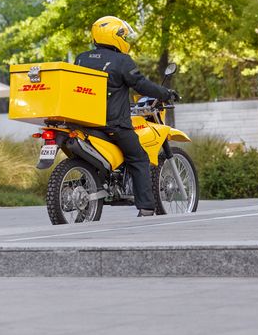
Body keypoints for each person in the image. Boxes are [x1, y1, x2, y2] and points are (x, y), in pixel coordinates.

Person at [74, 16, 179, 217]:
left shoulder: (81, 58)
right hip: (114, 124)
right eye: (123, 34)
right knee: (139, 158)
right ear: (115, 36)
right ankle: (147, 208)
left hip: (85, 122)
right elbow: (141, 85)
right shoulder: (121, 61)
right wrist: (166, 93)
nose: (125, 38)